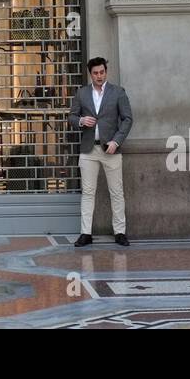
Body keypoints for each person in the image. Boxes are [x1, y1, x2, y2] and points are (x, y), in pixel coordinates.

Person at [69, 57, 133, 247]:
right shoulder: (82, 93)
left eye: (102, 72)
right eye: (95, 73)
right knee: (88, 192)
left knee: (116, 192)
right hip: (89, 149)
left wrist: (116, 140)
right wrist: (81, 121)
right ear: (91, 74)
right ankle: (85, 233)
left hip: (111, 149)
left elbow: (127, 119)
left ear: (106, 72)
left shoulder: (118, 92)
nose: (99, 76)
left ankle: (120, 232)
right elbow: (72, 116)